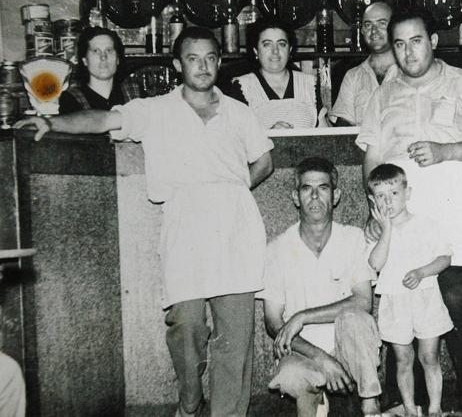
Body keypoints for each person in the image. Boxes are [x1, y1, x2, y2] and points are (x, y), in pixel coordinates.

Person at [14, 26, 274, 417]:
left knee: (235, 336)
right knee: (186, 323)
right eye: (192, 58)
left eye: (209, 58)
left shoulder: (240, 113)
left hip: (236, 225)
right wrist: (52, 124)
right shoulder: (155, 109)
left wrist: (234, 187)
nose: (202, 66)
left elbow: (264, 160)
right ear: (177, 65)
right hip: (184, 224)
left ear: (218, 63)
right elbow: (102, 120)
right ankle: (190, 399)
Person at [357, 8, 462, 416]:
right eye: (399, 44)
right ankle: (408, 405)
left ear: (434, 41)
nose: (408, 52)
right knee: (401, 313)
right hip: (401, 226)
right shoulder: (383, 93)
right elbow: (371, 155)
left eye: (416, 41)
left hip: (451, 217)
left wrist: (447, 151)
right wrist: (376, 211)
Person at [259, 157, 382, 417]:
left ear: (335, 195)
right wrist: (322, 359)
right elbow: (272, 322)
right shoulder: (276, 249)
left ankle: (370, 405)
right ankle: (317, 399)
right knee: (291, 374)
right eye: (307, 188)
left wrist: (302, 317)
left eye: (323, 188)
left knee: (355, 319)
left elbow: (363, 302)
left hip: (348, 349)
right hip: (305, 353)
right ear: (295, 196)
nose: (315, 196)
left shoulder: (353, 238)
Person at [367, 163, 453, 417]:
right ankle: (408, 408)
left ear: (408, 193)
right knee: (403, 360)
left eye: (394, 193)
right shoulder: (375, 233)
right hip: (395, 302)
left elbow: (445, 257)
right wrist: (387, 230)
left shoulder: (426, 225)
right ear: (372, 200)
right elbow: (375, 264)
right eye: (381, 196)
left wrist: (422, 272)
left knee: (429, 356)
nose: (388, 201)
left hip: (425, 298)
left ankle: (435, 409)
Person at [229, 18, 322, 129]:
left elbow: (327, 135)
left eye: (282, 44)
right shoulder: (242, 87)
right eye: (267, 44)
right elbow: (235, 139)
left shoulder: (310, 83)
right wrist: (270, 135)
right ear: (256, 51)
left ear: (290, 50)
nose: (275, 51)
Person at [330, 2, 398, 126]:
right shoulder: (353, 76)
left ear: (395, 27)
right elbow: (343, 130)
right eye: (368, 25)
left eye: (381, 23)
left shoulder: (410, 71)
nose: (374, 31)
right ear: (362, 30)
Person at [58, 26, 127, 114]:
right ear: (85, 60)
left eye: (109, 50)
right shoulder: (70, 100)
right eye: (96, 51)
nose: (103, 57)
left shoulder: (134, 94)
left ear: (117, 59)